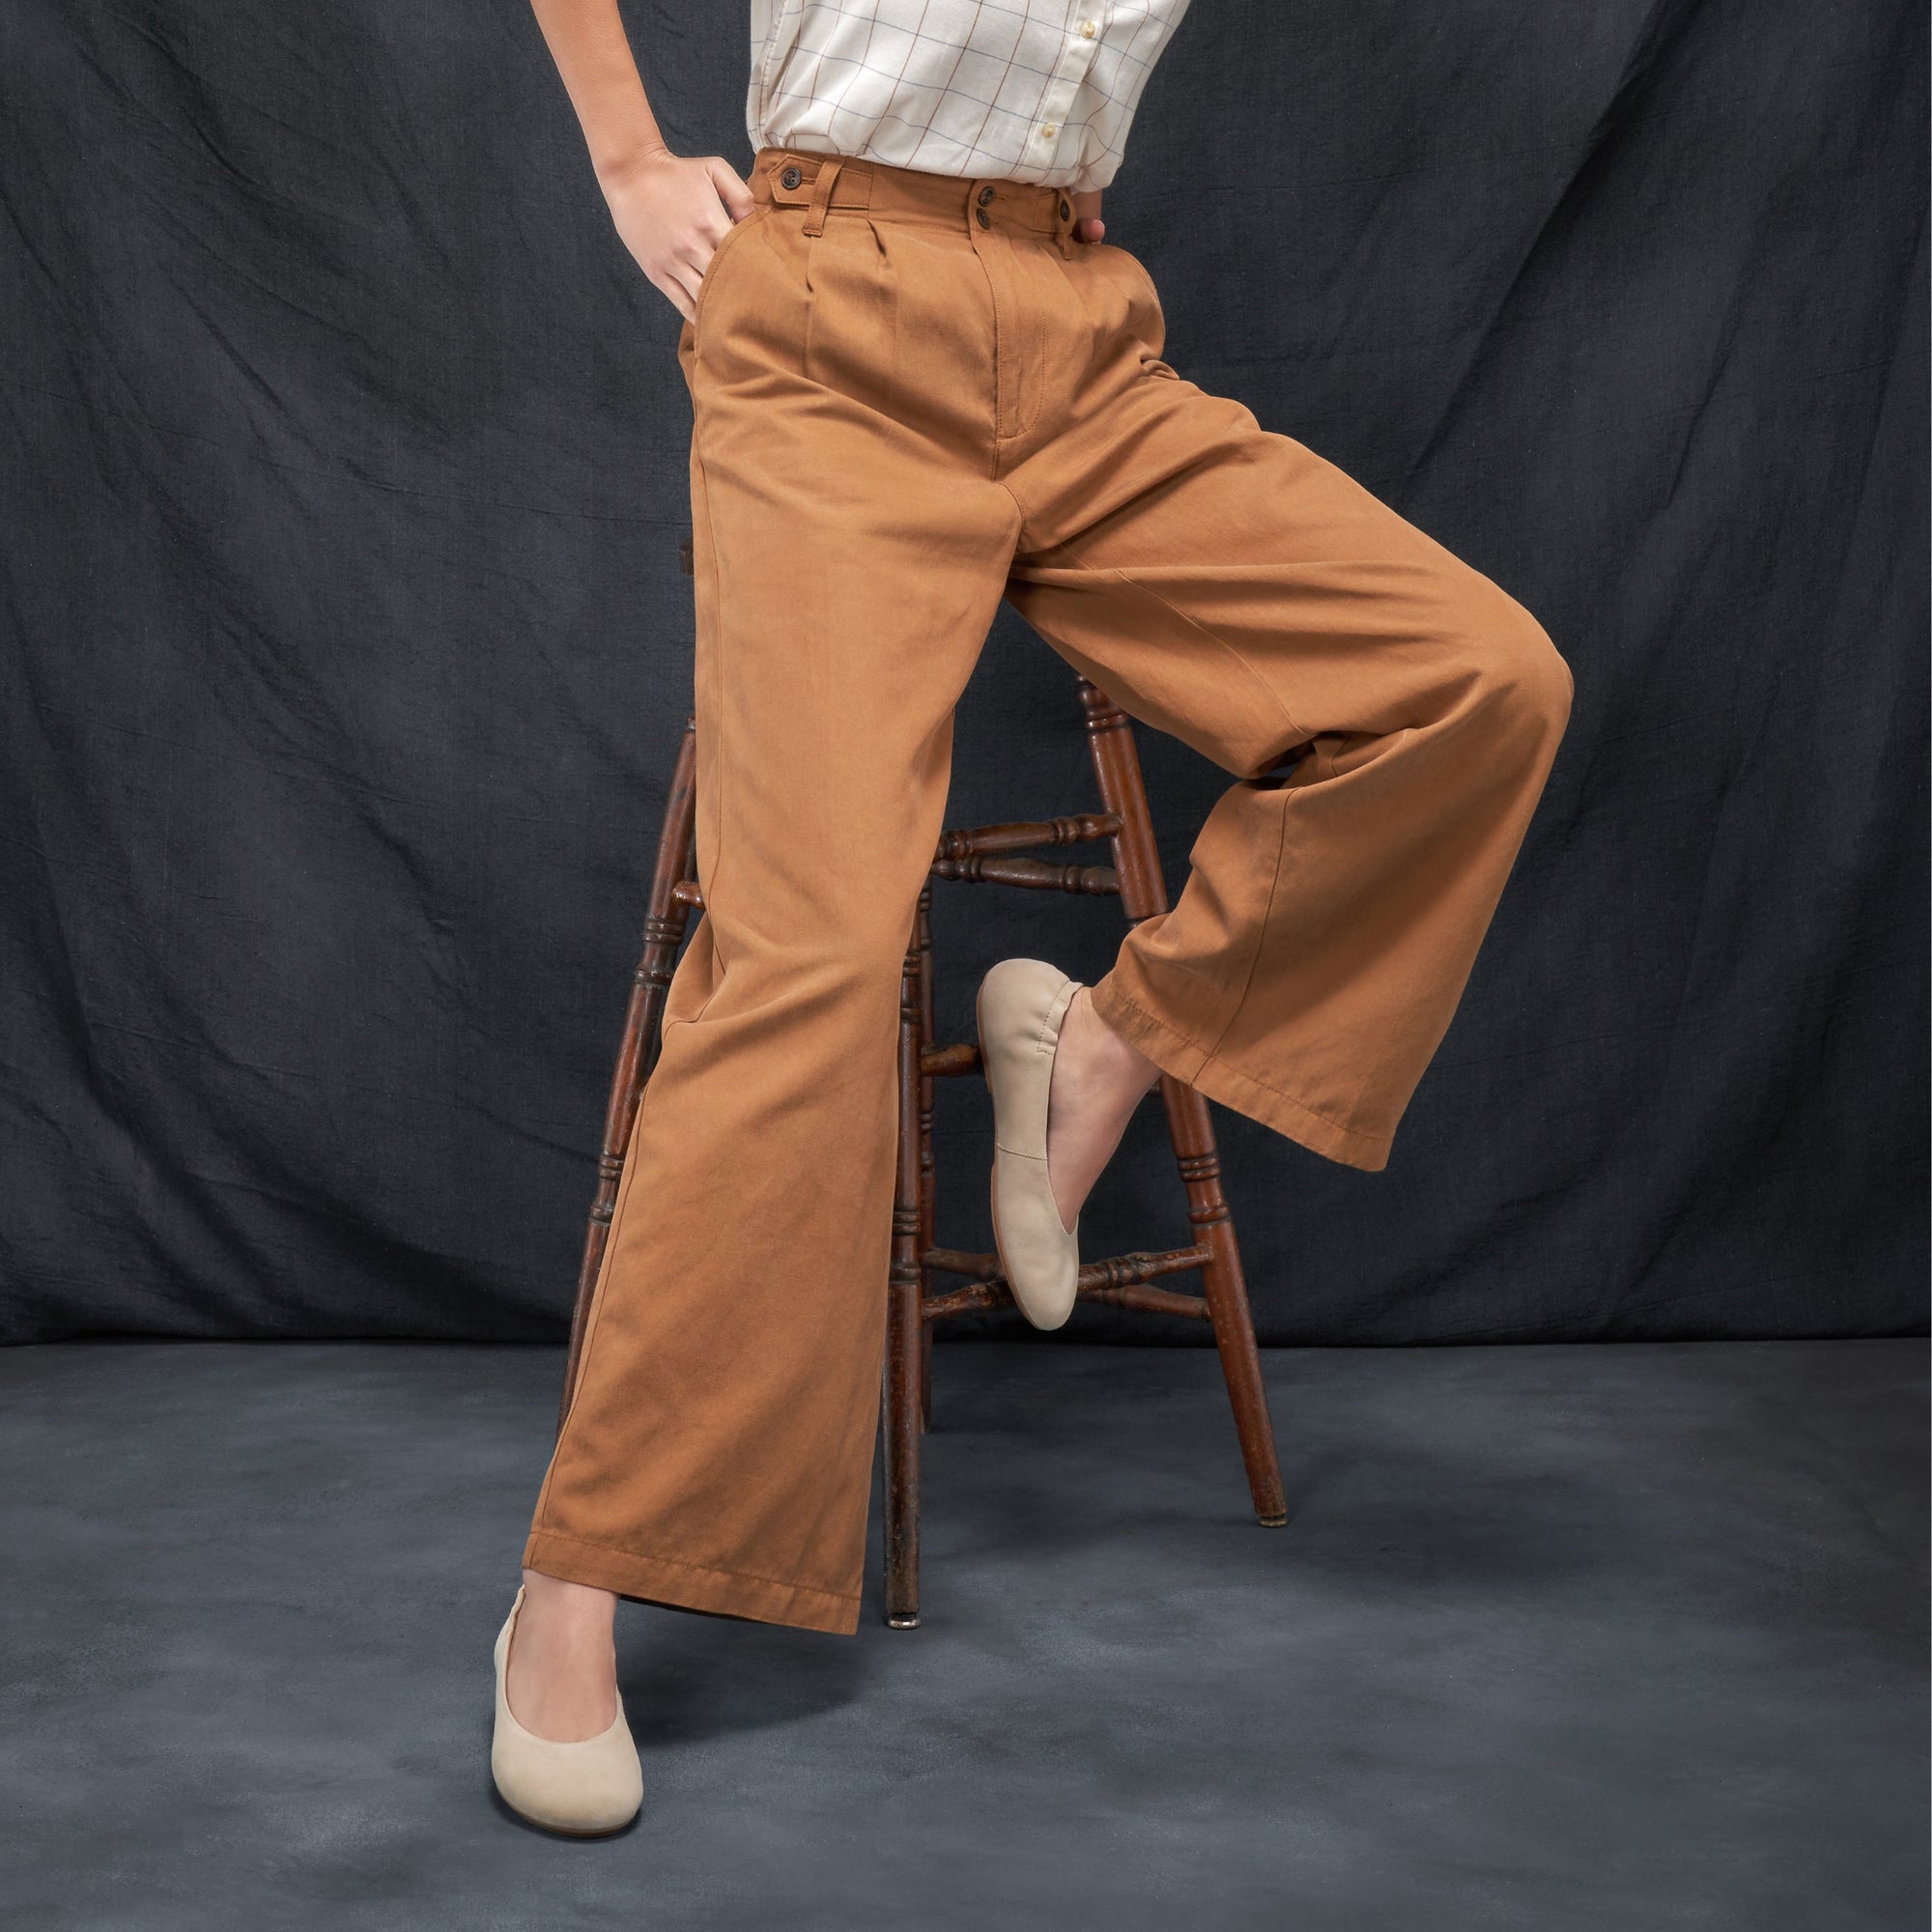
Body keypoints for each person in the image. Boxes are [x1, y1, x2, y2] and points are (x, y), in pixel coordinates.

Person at [491, 0, 1574, 1834]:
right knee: (810, 958)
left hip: (1082, 336)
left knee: (1477, 684)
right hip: (827, 320)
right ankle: (571, 1588)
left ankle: (1107, 1042)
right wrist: (622, 152)